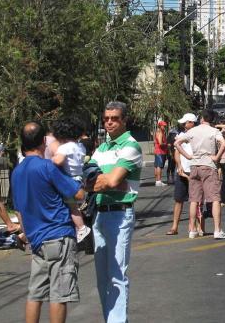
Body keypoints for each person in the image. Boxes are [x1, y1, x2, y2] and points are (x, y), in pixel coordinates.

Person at [11, 122, 85, 323]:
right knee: (59, 295)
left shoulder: (16, 173)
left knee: (35, 294)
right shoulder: (47, 167)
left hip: (37, 241)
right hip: (58, 237)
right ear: (43, 141)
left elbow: (19, 211)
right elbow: (77, 194)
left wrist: (26, 235)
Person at [88, 101, 143, 322]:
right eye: (106, 118)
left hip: (120, 214)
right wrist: (107, 182)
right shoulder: (101, 148)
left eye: (115, 118)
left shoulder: (131, 146)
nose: (109, 122)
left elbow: (111, 180)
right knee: (102, 278)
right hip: (99, 214)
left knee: (117, 275)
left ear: (124, 120)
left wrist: (107, 181)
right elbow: (88, 177)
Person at [175, 109, 225, 239]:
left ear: (201, 119)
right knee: (215, 198)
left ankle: (192, 230)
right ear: (212, 120)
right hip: (208, 165)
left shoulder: (192, 131)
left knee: (194, 199)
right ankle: (217, 230)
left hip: (194, 166)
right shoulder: (214, 131)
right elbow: (224, 144)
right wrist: (216, 157)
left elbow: (177, 143)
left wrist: (188, 156)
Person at [50, 116, 91, 244]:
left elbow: (58, 161)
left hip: (69, 181)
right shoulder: (80, 147)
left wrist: (48, 161)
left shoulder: (64, 148)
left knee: (72, 208)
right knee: (73, 207)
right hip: (79, 180)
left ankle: (81, 228)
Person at [167, 115, 196, 236]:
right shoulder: (180, 136)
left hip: (195, 170)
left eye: (186, 122)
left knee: (195, 200)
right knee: (178, 199)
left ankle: (194, 226)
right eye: (183, 123)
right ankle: (174, 227)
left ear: (192, 122)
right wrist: (179, 166)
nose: (184, 125)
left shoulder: (198, 135)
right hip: (182, 171)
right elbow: (176, 152)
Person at [153, 120, 168, 187]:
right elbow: (160, 143)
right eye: (163, 126)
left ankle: (157, 181)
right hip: (160, 152)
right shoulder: (160, 133)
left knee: (157, 166)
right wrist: (167, 144)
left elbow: (155, 142)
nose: (165, 127)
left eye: (165, 126)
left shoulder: (158, 132)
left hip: (158, 151)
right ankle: (158, 181)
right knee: (159, 166)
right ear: (160, 126)